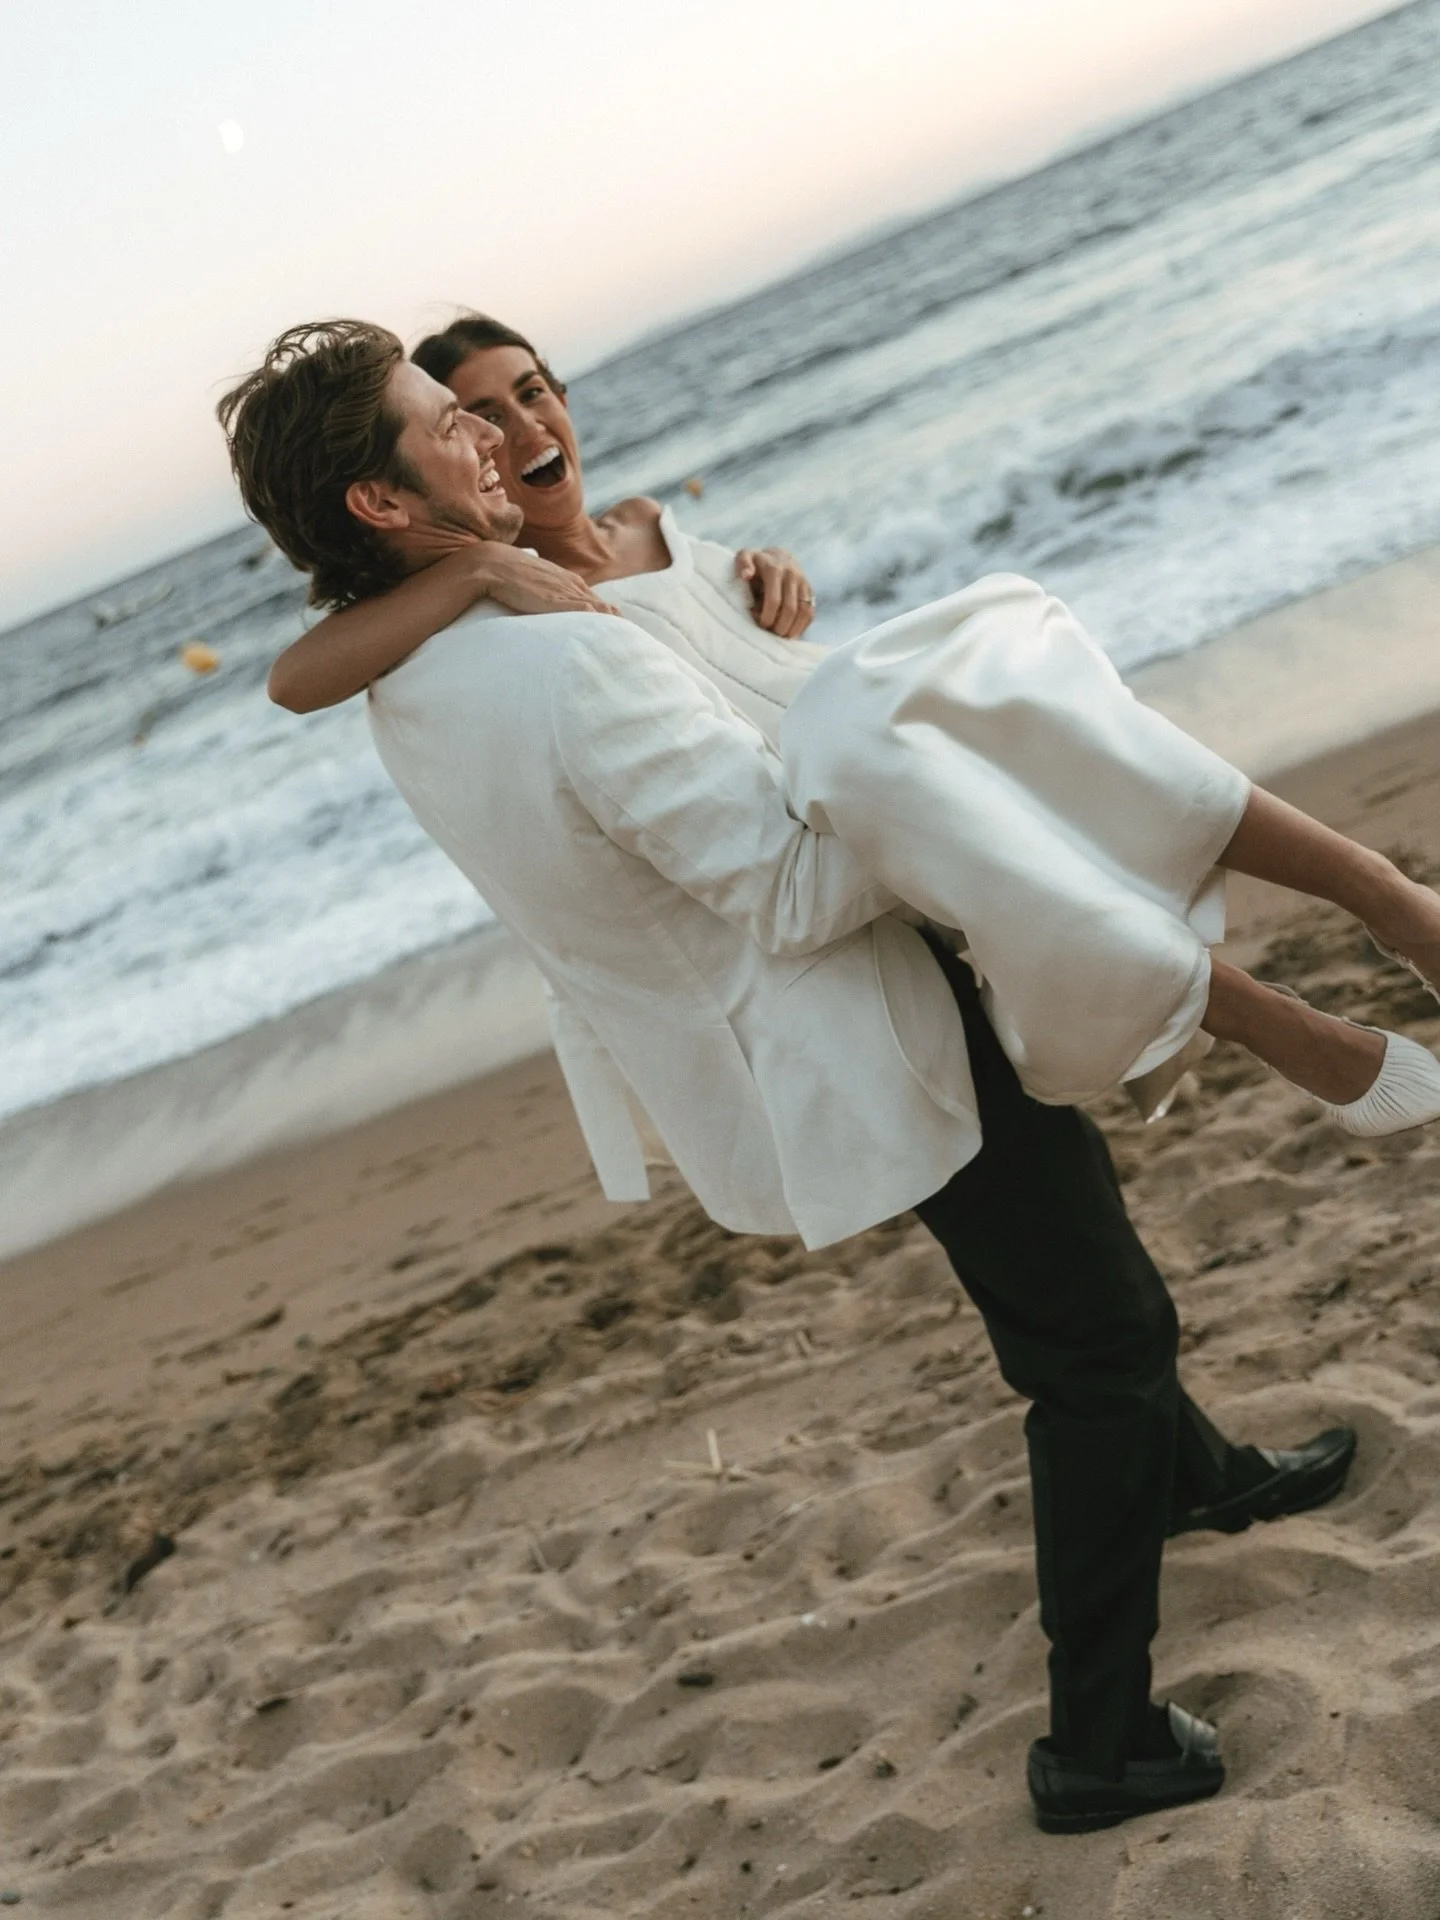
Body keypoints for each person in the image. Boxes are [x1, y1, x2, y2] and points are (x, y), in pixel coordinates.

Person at [221, 319, 1360, 1834]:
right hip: (869, 1026)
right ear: (381, 499)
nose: (492, 434)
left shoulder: (418, 681)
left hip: (795, 1037)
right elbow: (789, 891)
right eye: (449, 421)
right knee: (1099, 1337)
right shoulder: (563, 665)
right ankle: (1101, 1740)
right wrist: (918, 772)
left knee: (1065, 1277)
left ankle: (1202, 1477)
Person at [267, 313, 1440, 1135]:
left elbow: (759, 643)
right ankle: (1308, 1008)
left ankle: (1386, 904)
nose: (517, 428)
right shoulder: (514, 587)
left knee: (1029, 672)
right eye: (474, 415)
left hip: (866, 738)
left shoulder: (645, 522)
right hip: (815, 804)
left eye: (533, 390)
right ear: (445, 456)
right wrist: (468, 577)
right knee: (997, 734)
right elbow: (299, 673)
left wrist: (762, 571)